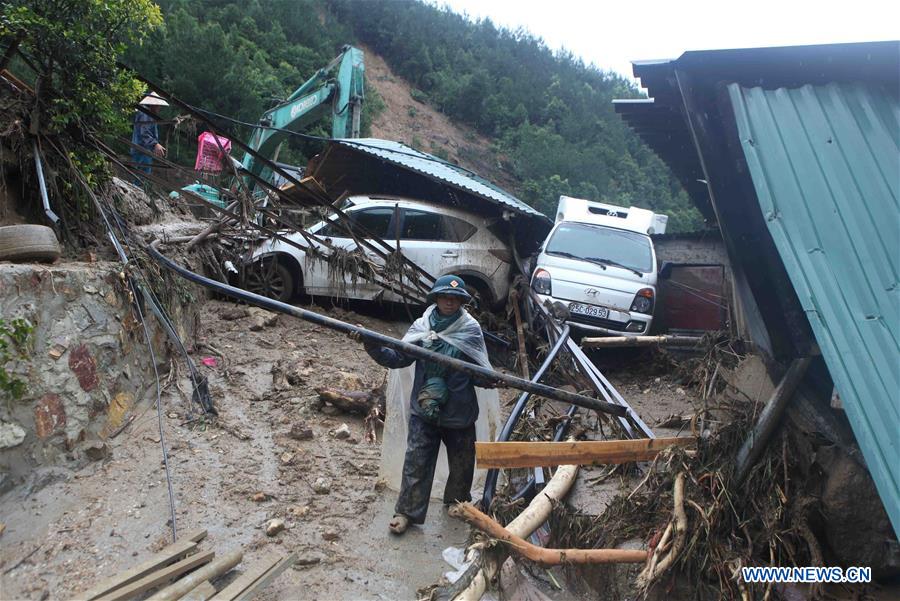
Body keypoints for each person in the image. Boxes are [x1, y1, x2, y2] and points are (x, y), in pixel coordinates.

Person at [353, 275, 495, 535]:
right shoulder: (422, 326)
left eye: (455, 298)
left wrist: (491, 380)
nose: (450, 302)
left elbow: (479, 372)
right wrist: (371, 344)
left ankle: (457, 503)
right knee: (416, 461)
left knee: (462, 463)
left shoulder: (470, 330)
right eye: (445, 297)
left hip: (459, 411)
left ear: (462, 302)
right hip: (424, 408)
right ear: (436, 298)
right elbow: (397, 358)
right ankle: (406, 512)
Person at [131, 92, 168, 183]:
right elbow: (144, 133)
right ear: (152, 105)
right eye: (158, 106)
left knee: (142, 177)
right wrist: (155, 144)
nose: (159, 108)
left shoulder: (148, 115)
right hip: (141, 150)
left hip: (144, 150)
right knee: (140, 177)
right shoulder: (145, 114)